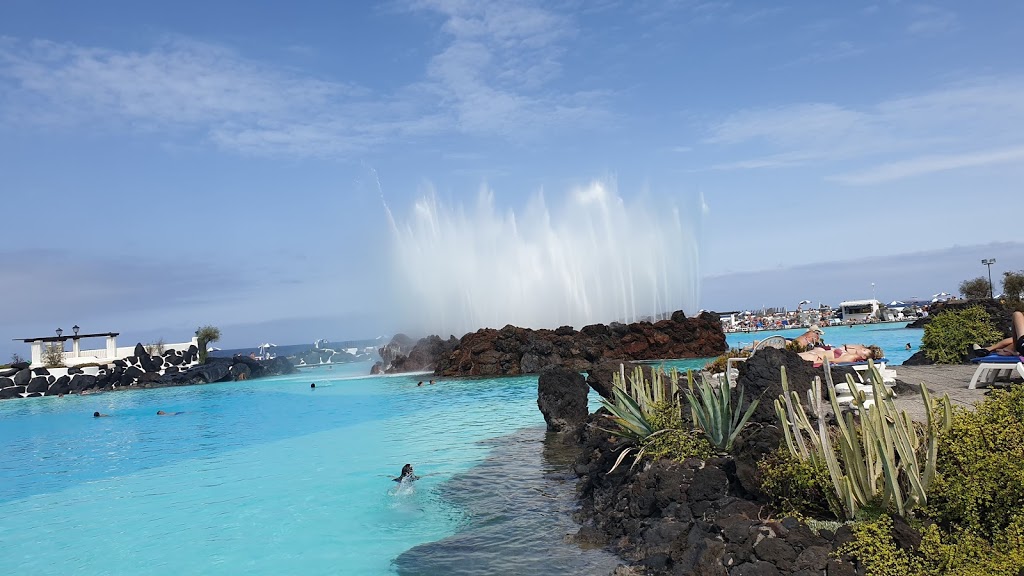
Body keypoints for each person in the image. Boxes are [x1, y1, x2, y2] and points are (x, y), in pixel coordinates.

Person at [799, 344, 883, 365]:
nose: (861, 348)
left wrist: (811, 363)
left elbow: (831, 361)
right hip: (815, 354)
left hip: (814, 358)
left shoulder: (850, 357)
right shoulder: (850, 353)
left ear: (864, 357)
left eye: (864, 350)